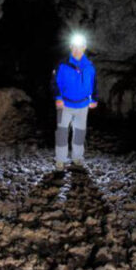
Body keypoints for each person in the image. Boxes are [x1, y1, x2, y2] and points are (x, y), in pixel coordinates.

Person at [50, 32, 98, 170]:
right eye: (74, 47)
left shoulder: (90, 66)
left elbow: (94, 83)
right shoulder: (62, 65)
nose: (77, 50)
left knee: (80, 132)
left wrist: (94, 99)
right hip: (65, 104)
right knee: (62, 133)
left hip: (83, 105)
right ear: (70, 47)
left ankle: (77, 158)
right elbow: (54, 83)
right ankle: (60, 160)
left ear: (84, 47)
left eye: (80, 47)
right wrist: (58, 98)